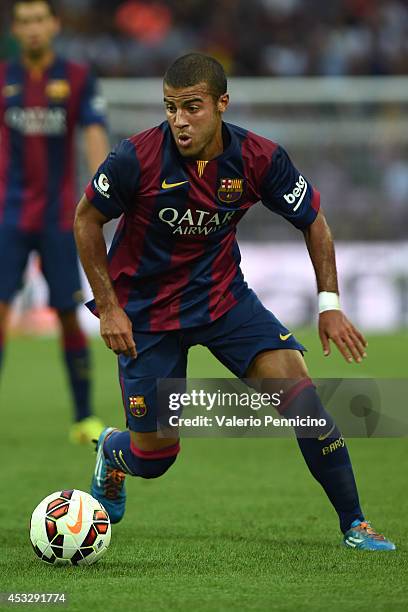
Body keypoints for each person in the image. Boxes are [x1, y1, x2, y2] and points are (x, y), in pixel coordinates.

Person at [74, 53, 395, 550]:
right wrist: (110, 307)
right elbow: (85, 219)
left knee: (305, 401)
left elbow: (313, 220)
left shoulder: (259, 158)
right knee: (155, 459)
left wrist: (329, 303)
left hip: (223, 300)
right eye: (170, 108)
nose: (179, 120)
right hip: (147, 315)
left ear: (222, 104)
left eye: (192, 107)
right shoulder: (135, 158)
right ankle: (114, 452)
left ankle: (355, 523)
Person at [0, 0, 109, 443]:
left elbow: (94, 132)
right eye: (24, 21)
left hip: (60, 217)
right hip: (7, 215)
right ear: (15, 27)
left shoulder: (78, 78)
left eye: (39, 20)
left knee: (68, 314)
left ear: (54, 25)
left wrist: (105, 193)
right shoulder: (3, 78)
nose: (32, 29)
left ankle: (83, 417)